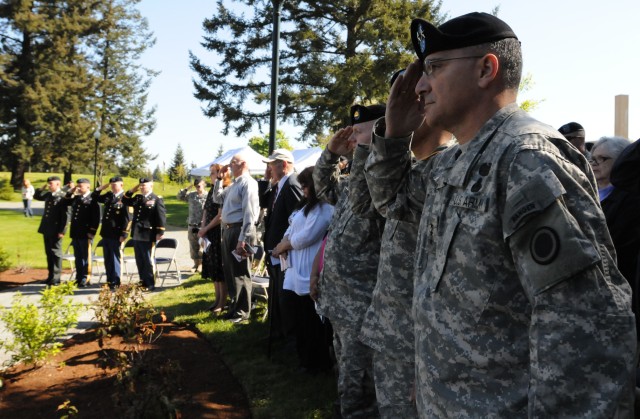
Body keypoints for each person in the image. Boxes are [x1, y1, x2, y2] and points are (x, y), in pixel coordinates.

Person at [365, 12, 636, 417]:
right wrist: (394, 135)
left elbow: (584, 329)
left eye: (434, 68)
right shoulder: (454, 162)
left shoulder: (528, 159)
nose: (420, 86)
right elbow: (394, 202)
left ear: (486, 70)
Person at [347, 104, 453, 416]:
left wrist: (427, 360)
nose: (393, 122)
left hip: (416, 340)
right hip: (391, 330)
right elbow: (363, 202)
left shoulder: (447, 170)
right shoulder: (412, 172)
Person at [313, 104, 386, 418]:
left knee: (361, 387)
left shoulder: (383, 180)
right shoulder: (355, 181)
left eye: (359, 131)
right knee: (346, 375)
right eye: (351, 133)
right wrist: (330, 152)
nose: (352, 138)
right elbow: (323, 187)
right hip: (340, 305)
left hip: (363, 309)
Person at [272, 166, 333, 373]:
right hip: (295, 268)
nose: (303, 189)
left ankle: (315, 362)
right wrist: (284, 241)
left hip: (309, 268)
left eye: (306, 185)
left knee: (311, 320)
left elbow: (309, 236)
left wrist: (286, 245)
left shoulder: (325, 209)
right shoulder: (304, 206)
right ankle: (303, 357)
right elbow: (292, 228)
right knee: (298, 316)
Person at [590, 136, 640, 327]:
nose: (594, 164)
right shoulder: (588, 192)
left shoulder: (631, 199)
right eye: (592, 158)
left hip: (620, 293)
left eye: (602, 159)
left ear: (619, 161)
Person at [212, 153, 260, 323]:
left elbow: (250, 213)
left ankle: (242, 311)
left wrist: (243, 238)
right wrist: (219, 178)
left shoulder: (248, 183)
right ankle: (234, 307)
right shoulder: (234, 184)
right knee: (230, 271)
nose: (230, 166)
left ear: (243, 164)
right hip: (229, 230)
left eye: (233, 163)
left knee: (240, 272)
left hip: (240, 230)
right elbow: (217, 198)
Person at [261, 148, 303, 337]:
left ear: (283, 165)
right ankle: (279, 330)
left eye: (271, 165)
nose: (269, 169)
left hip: (285, 252)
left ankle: (288, 336)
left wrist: (285, 245)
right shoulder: (278, 186)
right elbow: (263, 202)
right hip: (276, 252)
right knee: (277, 295)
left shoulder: (292, 183)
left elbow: (298, 218)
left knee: (285, 297)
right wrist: (266, 180)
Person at [122, 178, 166, 292]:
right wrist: (133, 189)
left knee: (148, 260)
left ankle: (150, 283)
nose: (141, 187)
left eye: (144, 185)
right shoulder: (138, 198)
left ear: (151, 186)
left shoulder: (156, 199)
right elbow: (125, 200)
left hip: (148, 234)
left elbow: (161, 216)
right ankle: (143, 282)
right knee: (139, 259)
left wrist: (160, 232)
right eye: (140, 186)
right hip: (137, 233)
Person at [199, 164, 231, 314]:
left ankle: (222, 302)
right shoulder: (212, 189)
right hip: (209, 233)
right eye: (210, 173)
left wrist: (206, 228)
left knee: (219, 268)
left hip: (218, 233)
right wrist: (202, 227)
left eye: (213, 173)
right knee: (212, 268)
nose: (210, 176)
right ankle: (216, 299)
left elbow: (220, 216)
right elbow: (206, 210)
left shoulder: (224, 189)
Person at [92, 176, 130, 290]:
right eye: (111, 184)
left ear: (121, 185)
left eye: (115, 184)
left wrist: (124, 234)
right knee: (107, 258)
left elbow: (128, 219)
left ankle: (116, 281)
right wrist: (100, 188)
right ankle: (109, 280)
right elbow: (95, 198)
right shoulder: (109, 195)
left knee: (114, 258)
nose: (113, 186)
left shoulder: (125, 198)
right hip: (106, 232)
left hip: (117, 233)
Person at [63, 178, 100, 287]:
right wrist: (71, 190)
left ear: (88, 187)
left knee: (86, 256)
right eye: (78, 186)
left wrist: (92, 232)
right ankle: (78, 277)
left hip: (86, 233)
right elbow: (65, 201)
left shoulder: (92, 199)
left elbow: (96, 218)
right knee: (78, 256)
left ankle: (86, 278)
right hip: (76, 233)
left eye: (81, 186)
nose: (79, 188)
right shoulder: (77, 198)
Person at [34, 176, 70, 286]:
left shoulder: (63, 197)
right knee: (49, 253)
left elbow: (66, 216)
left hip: (56, 230)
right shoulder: (49, 195)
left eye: (51, 184)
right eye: (48, 184)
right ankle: (50, 276)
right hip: (46, 228)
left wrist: (62, 231)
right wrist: (42, 187)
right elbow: (37, 196)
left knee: (56, 253)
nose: (49, 186)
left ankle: (56, 278)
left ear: (58, 184)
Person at [177, 177, 208, 272]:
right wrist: (188, 187)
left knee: (204, 246)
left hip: (202, 225)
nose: (197, 188)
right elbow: (179, 197)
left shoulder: (208, 196)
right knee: (193, 246)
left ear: (204, 185)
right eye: (195, 186)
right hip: (192, 225)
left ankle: (202, 265)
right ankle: (195, 264)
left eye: (199, 186)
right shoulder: (191, 195)